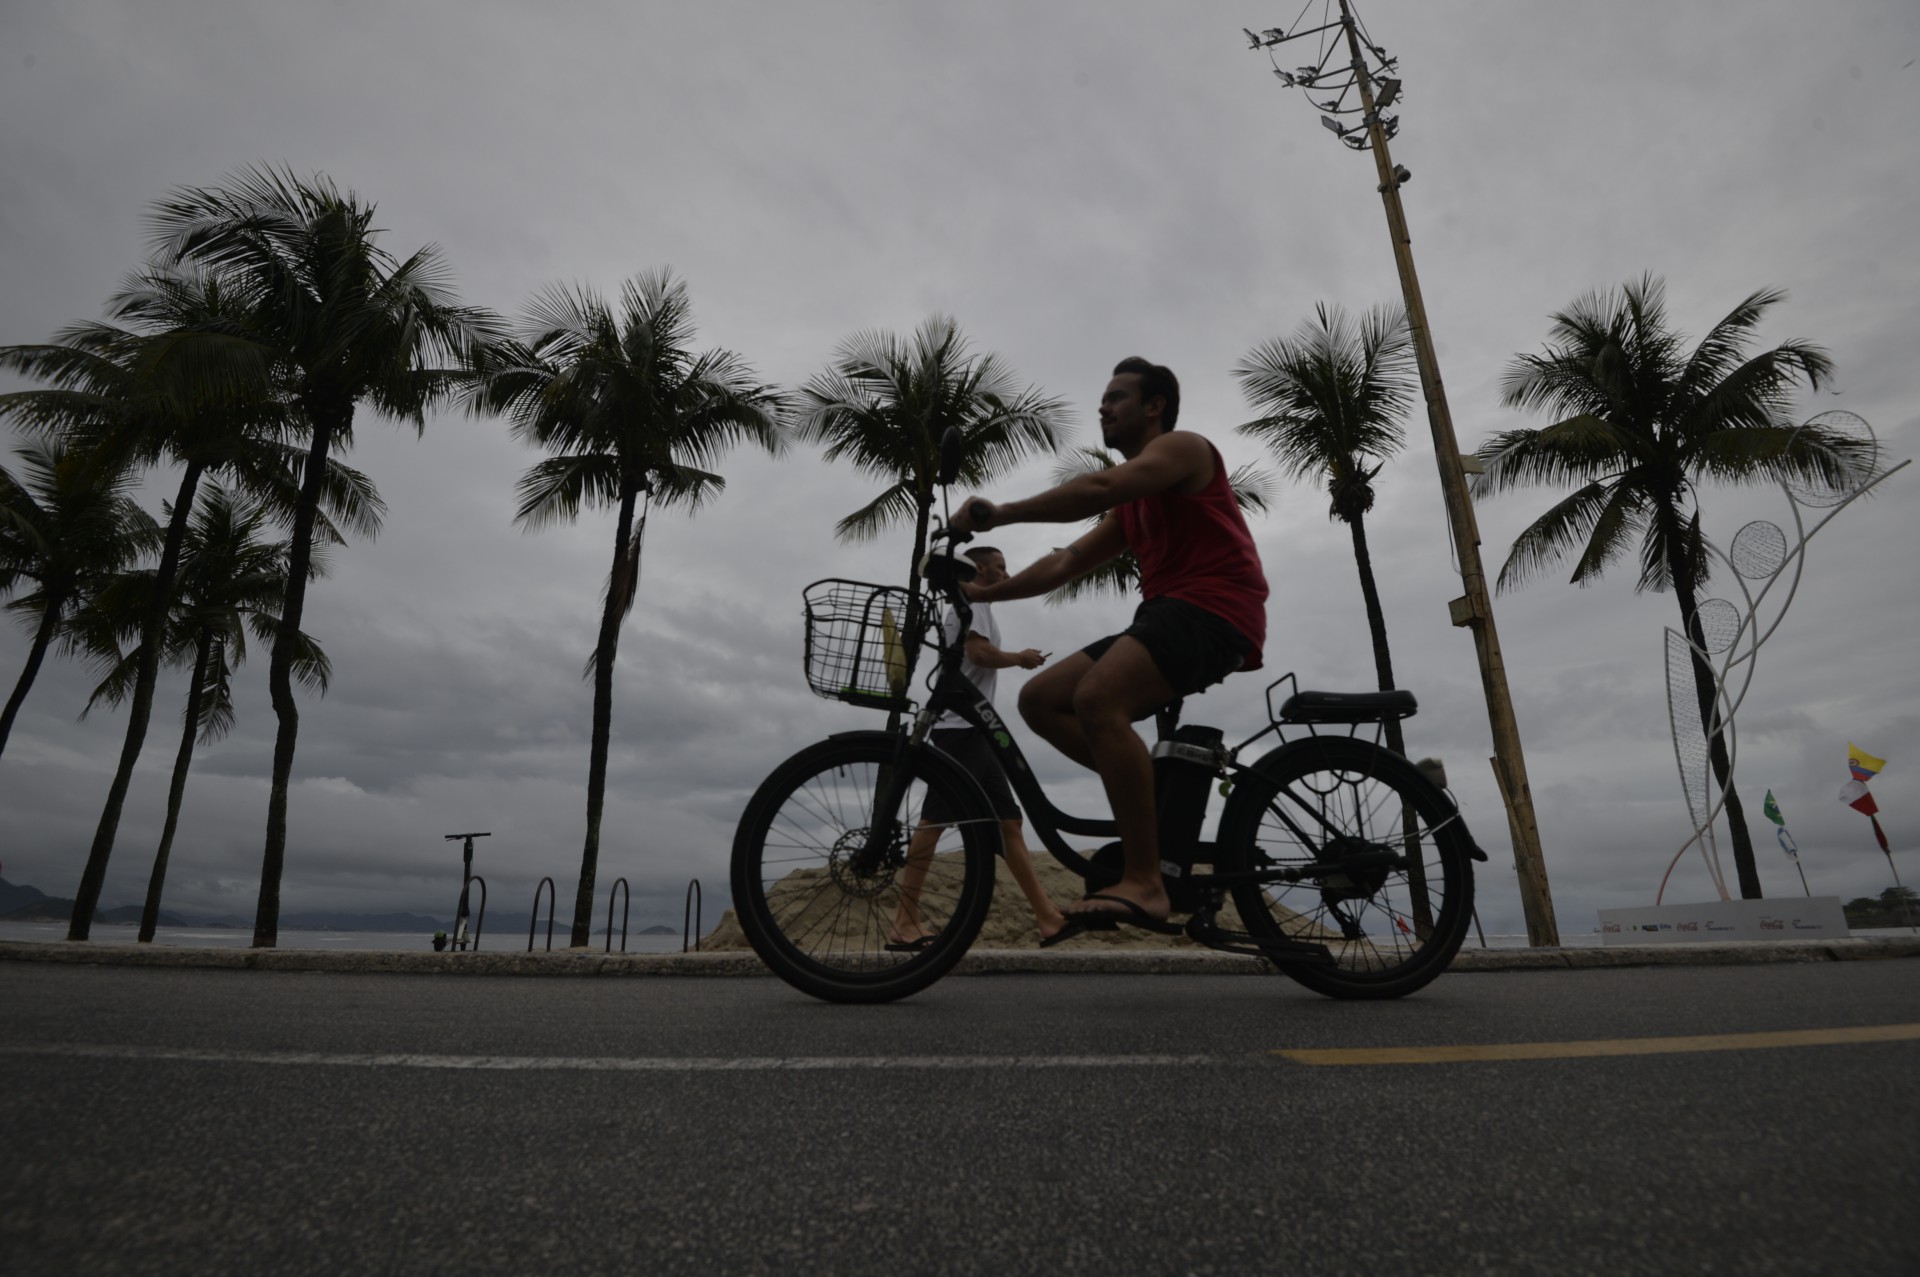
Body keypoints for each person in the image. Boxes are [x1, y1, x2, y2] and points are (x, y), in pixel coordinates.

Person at [953, 356, 1268, 939]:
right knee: (1042, 699)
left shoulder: (1184, 449)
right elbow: (1068, 561)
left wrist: (1000, 514)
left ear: (1155, 407)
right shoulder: (1136, 504)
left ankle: (1146, 881)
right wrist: (975, 591)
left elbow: (1098, 485)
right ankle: (1149, 802)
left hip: (1215, 611)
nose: (1103, 406)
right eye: (1104, 398)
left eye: (1117, 397)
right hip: (1170, 613)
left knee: (1098, 699)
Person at [888, 546, 1071, 947]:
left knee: (1009, 824)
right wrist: (1020, 658)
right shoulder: (975, 603)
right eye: (1001, 567)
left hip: (975, 731)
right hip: (961, 732)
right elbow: (979, 653)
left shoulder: (971, 606)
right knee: (933, 823)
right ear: (981, 569)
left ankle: (1047, 916)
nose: (1007, 574)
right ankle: (904, 921)